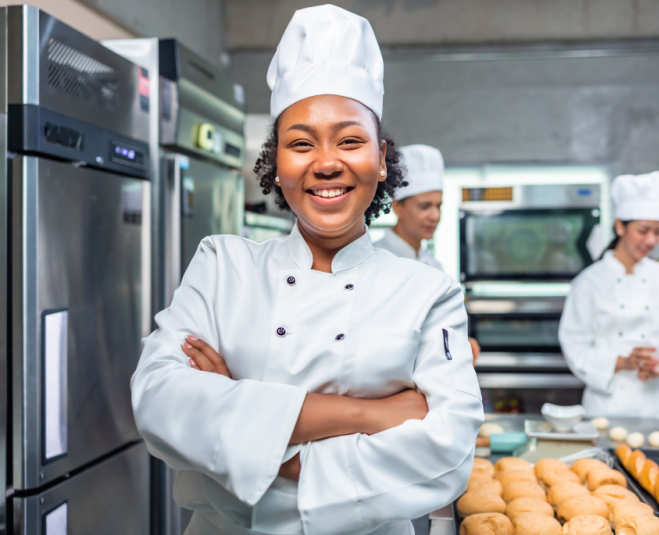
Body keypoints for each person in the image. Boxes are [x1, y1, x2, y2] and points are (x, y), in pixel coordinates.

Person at [130, 6, 483, 535]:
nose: (326, 162)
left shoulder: (428, 291)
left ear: (381, 159)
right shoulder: (223, 264)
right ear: (277, 162)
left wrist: (251, 436)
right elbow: (159, 399)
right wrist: (368, 415)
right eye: (300, 143)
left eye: (349, 140)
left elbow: (449, 451)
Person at [558, 171, 659, 419]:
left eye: (658, 231)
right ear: (619, 226)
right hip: (606, 409)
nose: (651, 240)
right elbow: (575, 348)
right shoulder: (587, 283)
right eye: (643, 230)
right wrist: (624, 361)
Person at [374, 144, 482, 364]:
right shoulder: (376, 262)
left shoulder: (433, 265)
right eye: (424, 206)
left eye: (438, 206)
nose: (434, 216)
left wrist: (461, 342)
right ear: (398, 208)